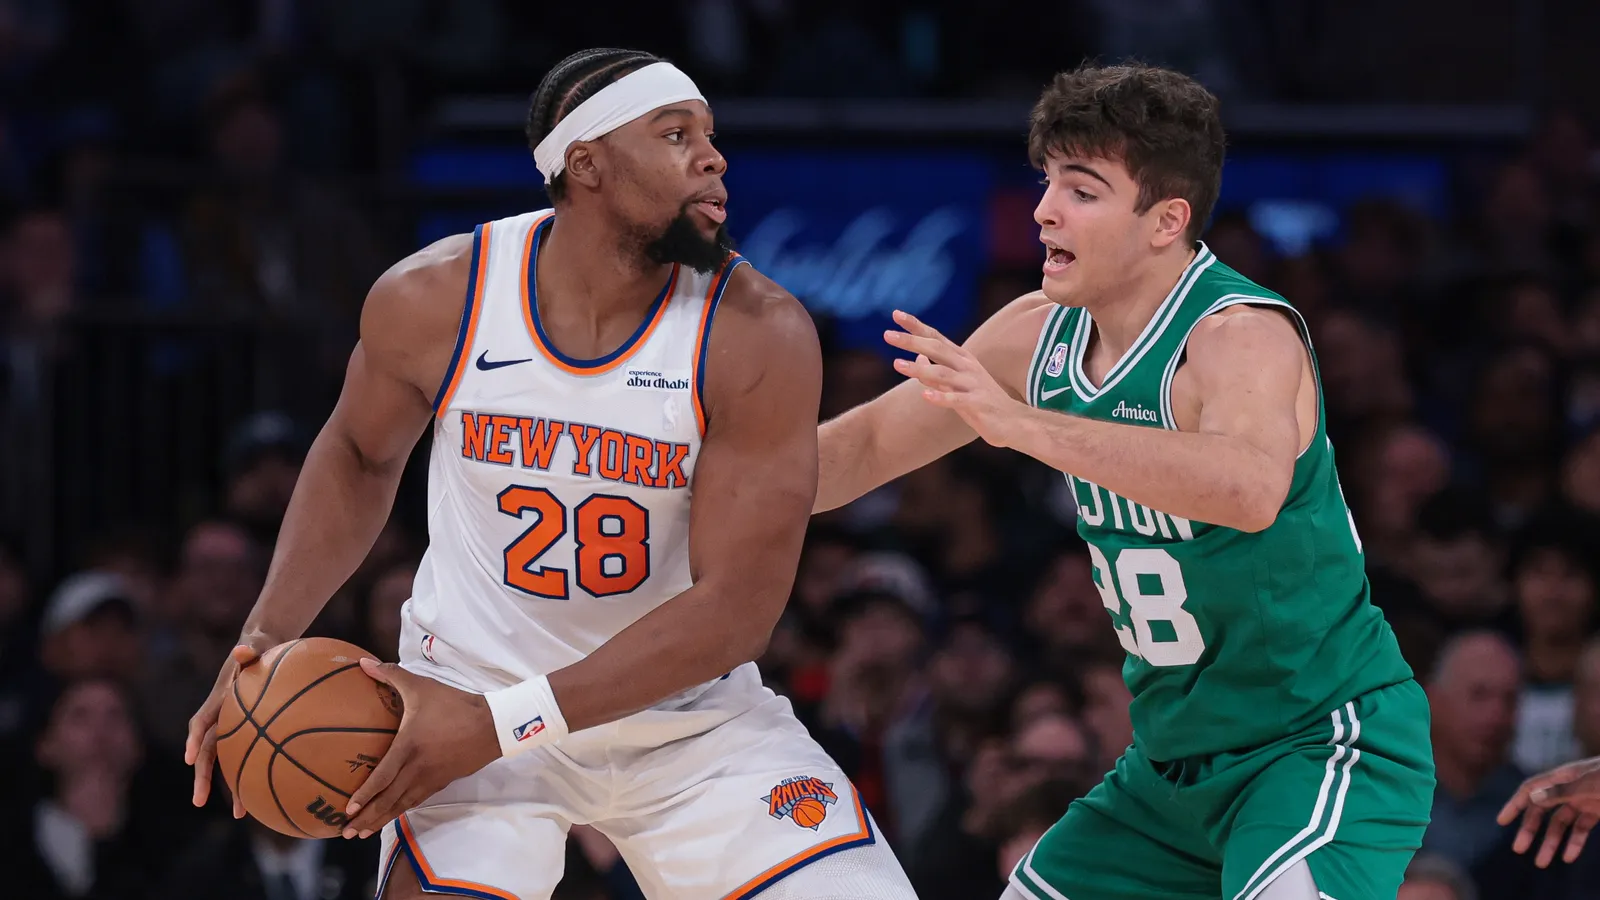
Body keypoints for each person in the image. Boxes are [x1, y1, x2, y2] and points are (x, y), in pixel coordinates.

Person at [183, 48, 915, 900]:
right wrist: (265, 638)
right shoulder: (437, 297)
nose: (713, 158)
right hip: (461, 694)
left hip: (684, 721)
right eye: (675, 134)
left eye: (710, 136)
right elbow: (357, 454)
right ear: (586, 164)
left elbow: (736, 610)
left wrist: (503, 724)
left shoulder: (756, 331)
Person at [815, 62, 1435, 900]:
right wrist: (668, 487)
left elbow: (1249, 489)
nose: (1044, 210)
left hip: (1315, 741)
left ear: (1164, 221)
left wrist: (1030, 428)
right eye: (1047, 182)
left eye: (1083, 189)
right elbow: (853, 456)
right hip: (1170, 770)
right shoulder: (1034, 336)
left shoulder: (1238, 334)